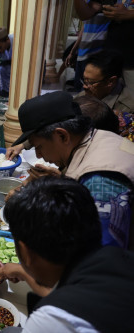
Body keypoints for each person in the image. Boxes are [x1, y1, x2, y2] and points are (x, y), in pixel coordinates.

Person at [0, 176, 134, 333]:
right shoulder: (116, 256)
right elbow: (65, 291)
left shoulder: (53, 319)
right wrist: (24, 272)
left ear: (24, 250)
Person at [12, 91, 134, 249]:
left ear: (62, 136)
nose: (38, 155)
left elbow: (102, 258)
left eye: (39, 147)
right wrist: (63, 182)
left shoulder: (101, 179)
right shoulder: (100, 136)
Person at [76, 49, 134, 140]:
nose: (85, 86)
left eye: (90, 82)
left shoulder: (129, 108)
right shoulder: (81, 96)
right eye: (84, 80)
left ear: (111, 81)